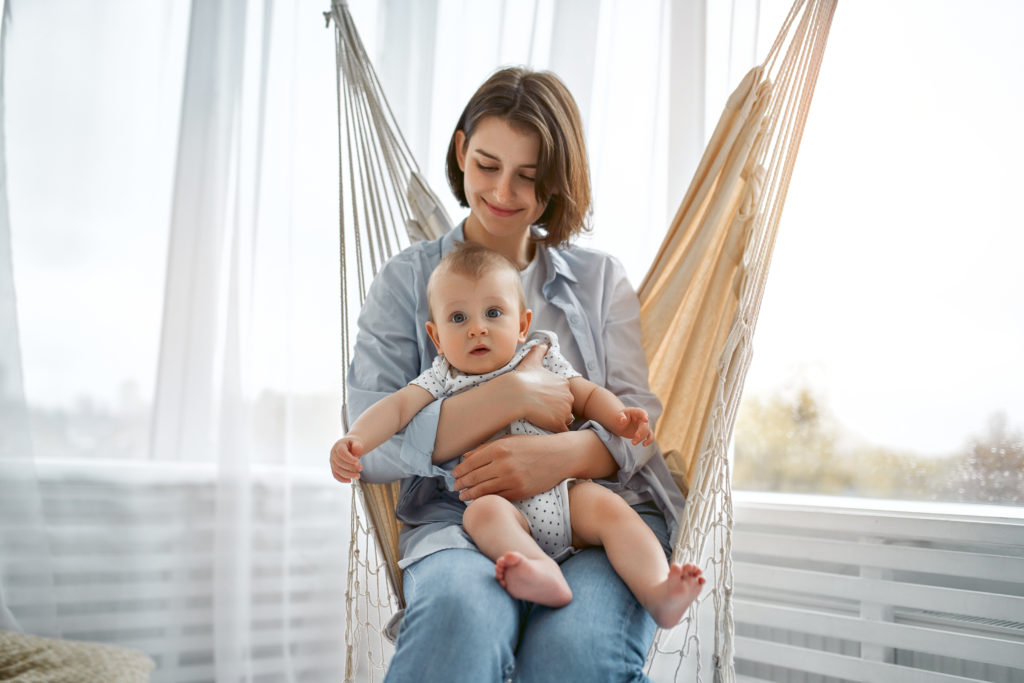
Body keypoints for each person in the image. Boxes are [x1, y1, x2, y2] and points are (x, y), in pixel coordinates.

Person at [332, 66, 690, 682]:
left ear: (557, 182)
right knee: (458, 618)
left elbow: (635, 423)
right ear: (460, 149)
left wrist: (567, 454)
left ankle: (651, 591)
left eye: (528, 177)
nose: (502, 191)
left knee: (574, 655)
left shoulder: (600, 281)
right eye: (487, 165)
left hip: (593, 506)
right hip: (464, 513)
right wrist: (514, 393)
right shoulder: (407, 283)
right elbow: (377, 443)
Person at [332, 242, 704, 625]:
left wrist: (619, 418)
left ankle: (658, 591)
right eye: (458, 318)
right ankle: (541, 571)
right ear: (437, 337)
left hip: (566, 495)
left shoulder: (540, 356)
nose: (477, 328)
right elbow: (395, 409)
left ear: (522, 325)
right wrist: (356, 439)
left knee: (614, 511)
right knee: (482, 515)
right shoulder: (442, 376)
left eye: (493, 313)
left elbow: (585, 393)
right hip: (501, 506)